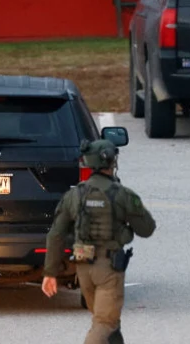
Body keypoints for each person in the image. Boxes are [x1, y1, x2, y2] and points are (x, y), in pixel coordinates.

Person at [41, 139, 157, 344]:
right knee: (105, 323)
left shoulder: (74, 195)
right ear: (112, 162)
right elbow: (147, 229)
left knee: (105, 321)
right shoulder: (122, 195)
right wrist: (125, 231)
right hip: (109, 270)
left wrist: (50, 273)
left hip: (83, 267)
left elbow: (56, 234)